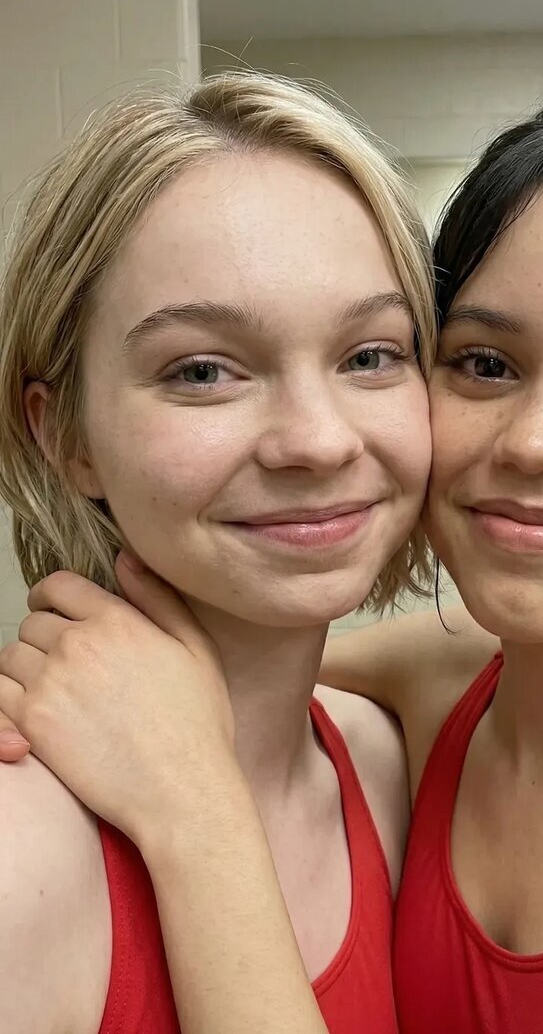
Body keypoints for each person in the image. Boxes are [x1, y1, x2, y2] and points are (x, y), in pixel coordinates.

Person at [2, 95, 543, 1034]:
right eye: (486, 364)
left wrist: (195, 800)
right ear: (65, 433)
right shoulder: (421, 706)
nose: (538, 443)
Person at [0, 70, 437, 1034]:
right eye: (202, 370)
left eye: (370, 355)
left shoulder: (384, 761)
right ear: (62, 435)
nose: (317, 440)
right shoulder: (19, 854)